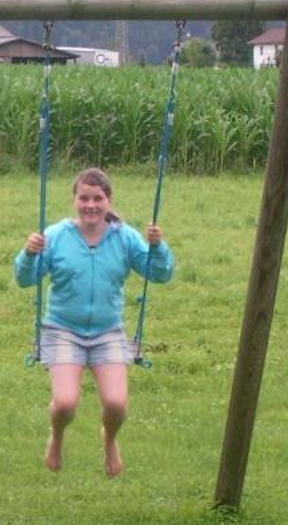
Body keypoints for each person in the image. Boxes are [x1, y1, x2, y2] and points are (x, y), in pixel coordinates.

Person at [14, 168, 174, 477]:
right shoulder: (57, 236)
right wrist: (28, 254)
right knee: (65, 403)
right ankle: (57, 437)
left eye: (98, 198)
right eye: (84, 198)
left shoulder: (124, 237)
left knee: (116, 404)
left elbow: (159, 273)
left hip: (107, 332)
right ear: (74, 200)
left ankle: (109, 439)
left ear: (108, 201)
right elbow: (25, 279)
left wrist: (158, 246)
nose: (91, 205)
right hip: (63, 330)